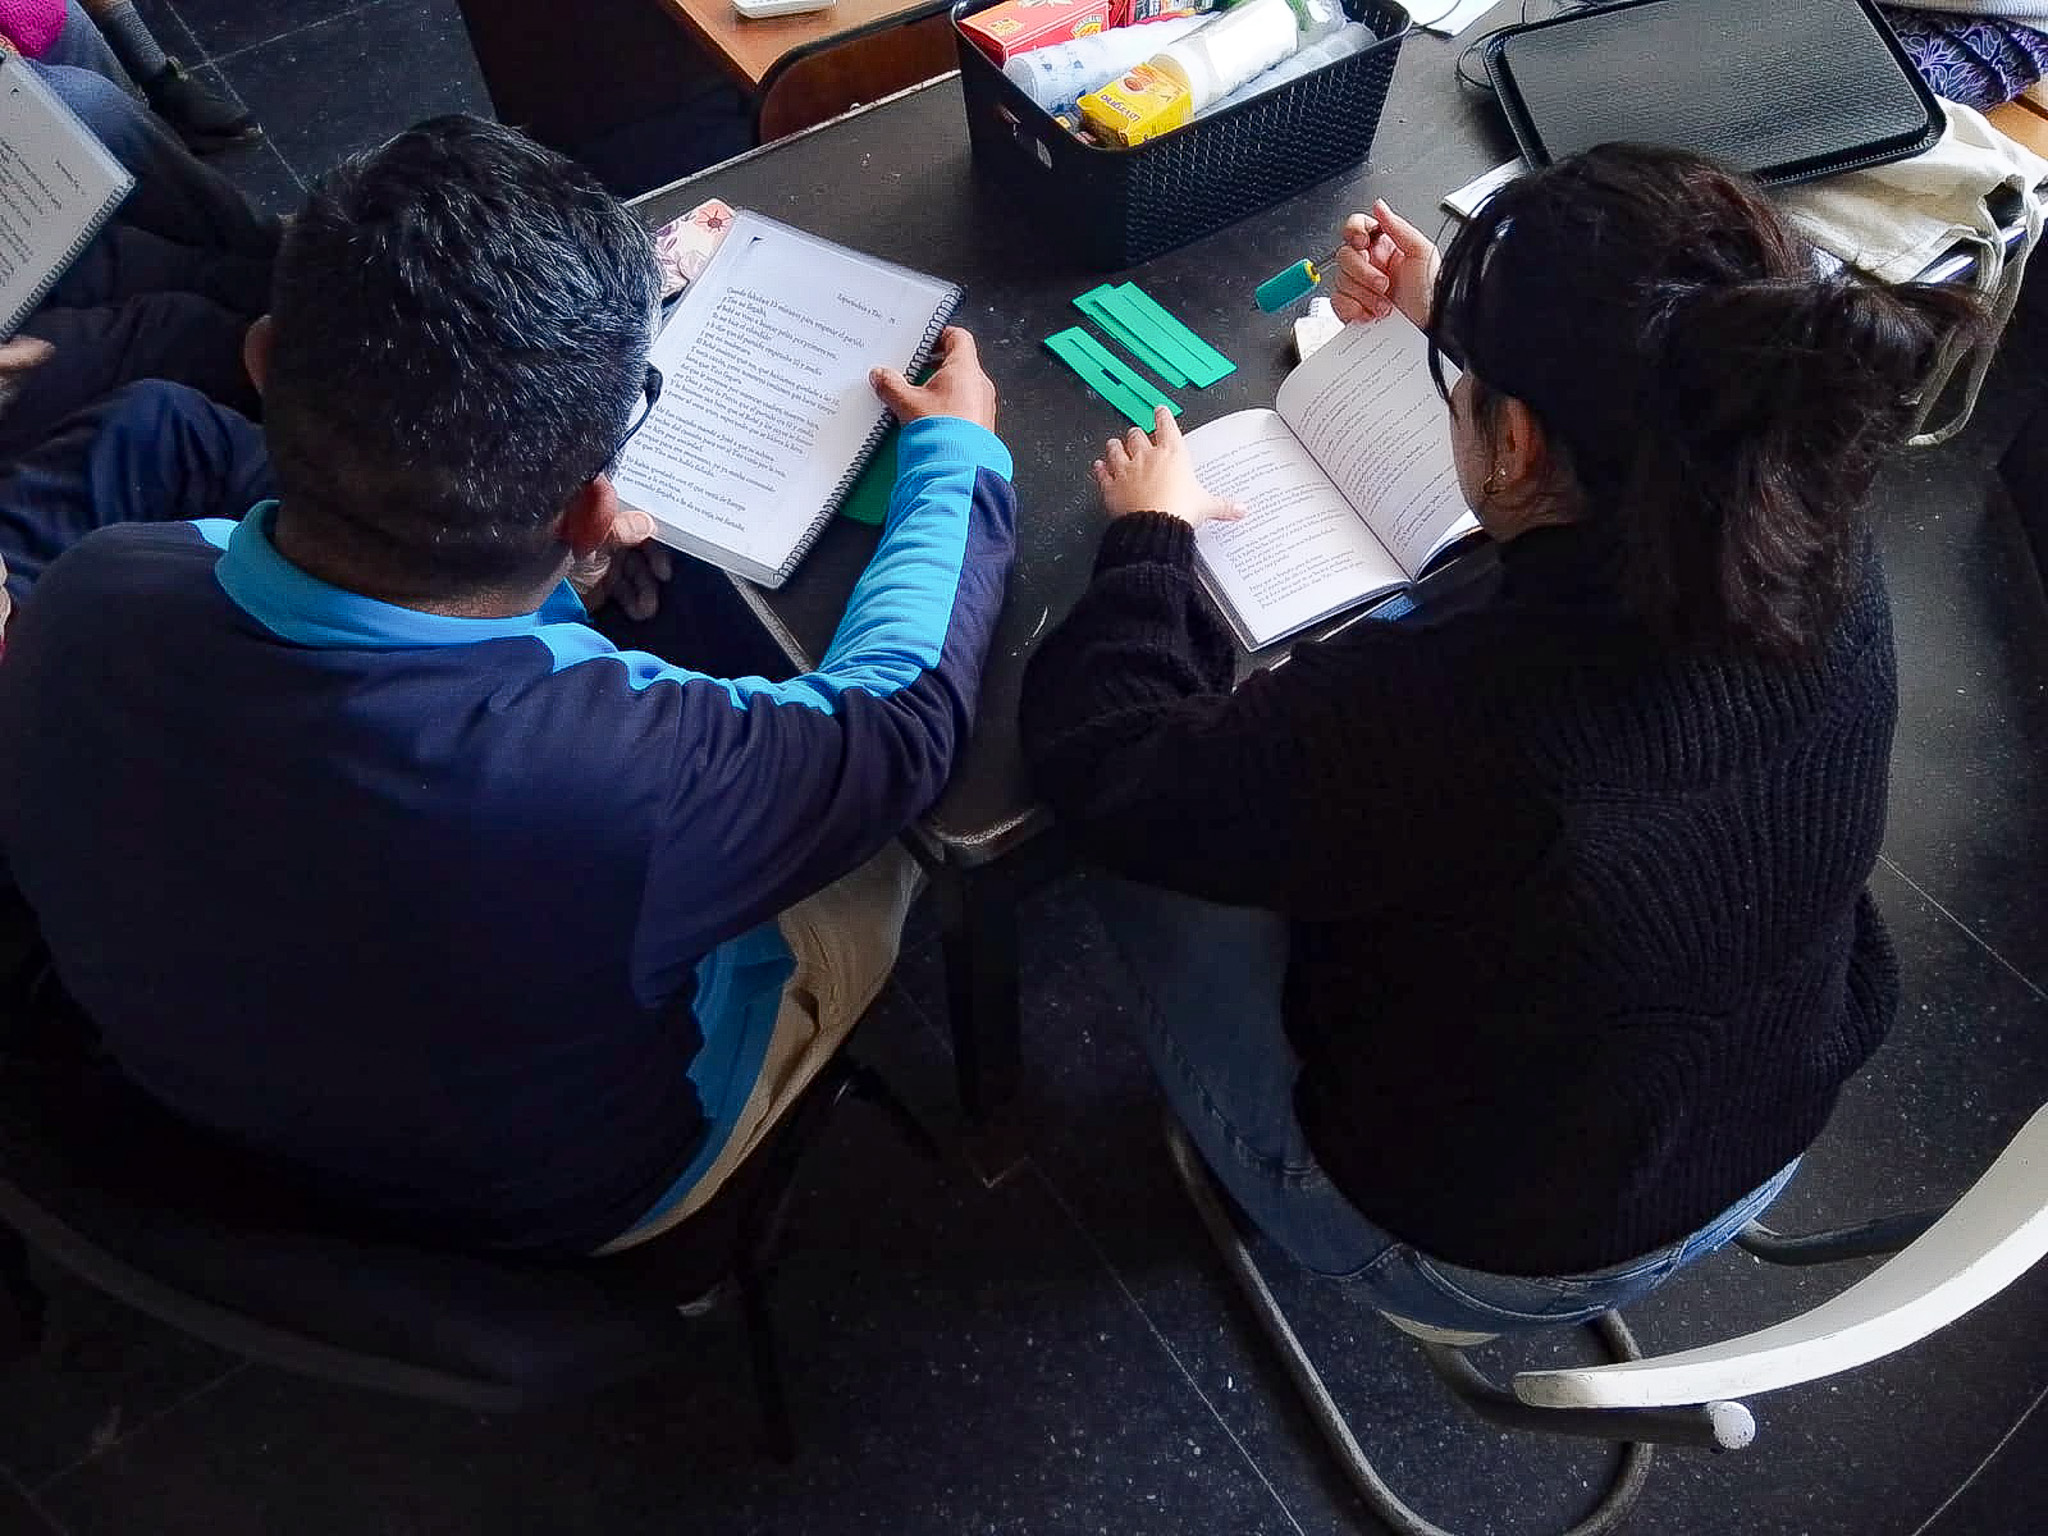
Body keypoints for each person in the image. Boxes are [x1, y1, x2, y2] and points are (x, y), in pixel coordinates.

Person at [0, 115, 1017, 1255]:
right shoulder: (606, 779)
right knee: (902, 841)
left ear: (264, 363)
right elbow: (901, 723)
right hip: (573, 1180)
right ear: (593, 506)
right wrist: (957, 454)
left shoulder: (86, 594)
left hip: (214, 1099)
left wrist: (541, 583)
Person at [1019, 144, 1983, 1334]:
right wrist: (1472, 318)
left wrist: (1151, 536)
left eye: (1463, 383)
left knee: (1130, 854)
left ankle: (1268, 1184)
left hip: (1486, 1247)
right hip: (1763, 1121)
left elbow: (1109, 761)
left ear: (1516, 442)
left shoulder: (1444, 708)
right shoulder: (1811, 539)